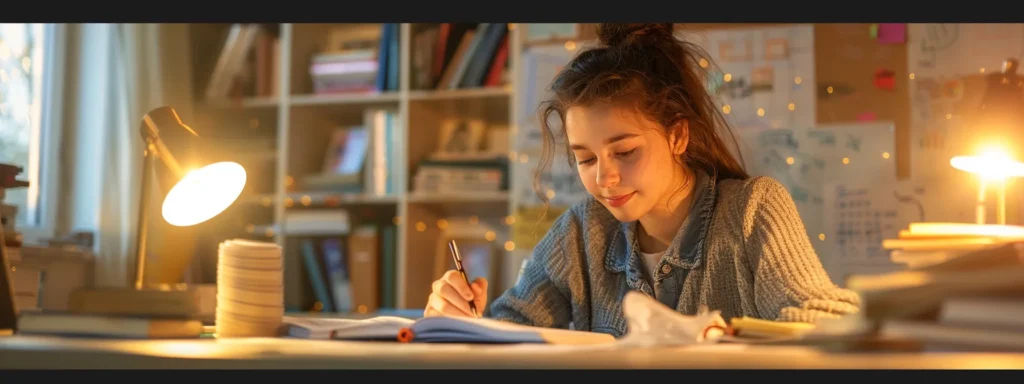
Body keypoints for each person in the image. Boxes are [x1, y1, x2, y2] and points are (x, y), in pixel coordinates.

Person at [424, 23, 861, 336]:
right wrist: (459, 321)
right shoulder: (583, 230)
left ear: (677, 136)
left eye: (625, 151)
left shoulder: (752, 208)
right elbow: (508, 330)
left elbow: (829, 320)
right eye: (585, 158)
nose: (605, 177)